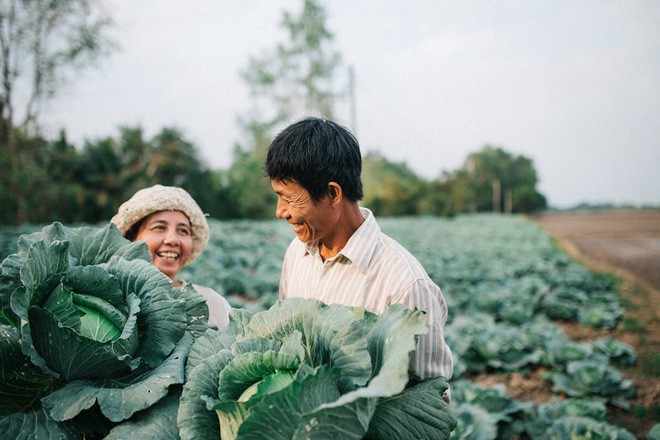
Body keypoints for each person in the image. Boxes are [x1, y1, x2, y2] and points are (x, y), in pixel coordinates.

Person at [264, 117, 453, 400]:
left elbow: (427, 404)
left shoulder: (405, 284)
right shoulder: (296, 253)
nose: (281, 211)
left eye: (289, 199)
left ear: (332, 193)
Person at [111, 184, 230, 329]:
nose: (173, 240)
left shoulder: (212, 304)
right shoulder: (108, 300)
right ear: (131, 238)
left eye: (183, 231)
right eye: (159, 228)